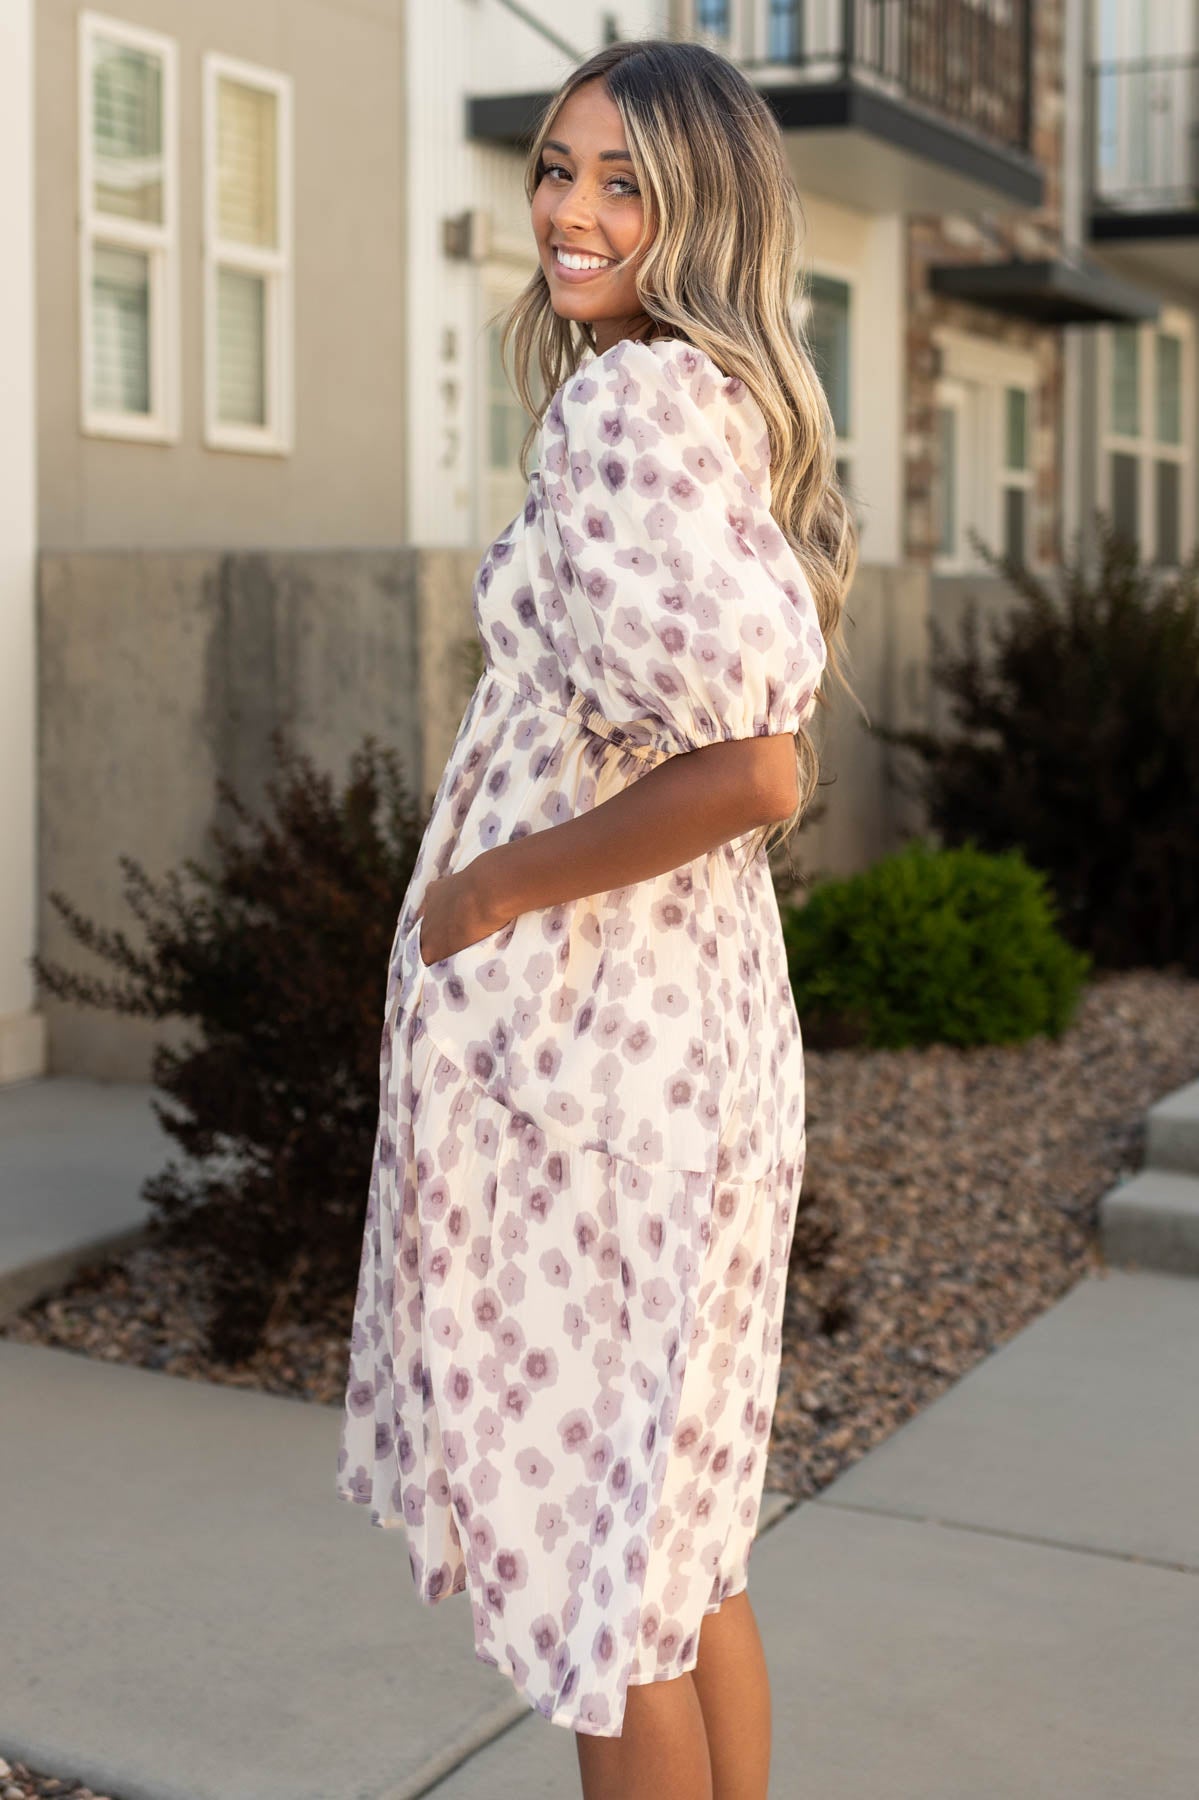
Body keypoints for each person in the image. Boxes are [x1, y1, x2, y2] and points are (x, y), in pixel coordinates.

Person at [336, 33, 857, 1800]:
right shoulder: (697, 396)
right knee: (676, 1564)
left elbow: (757, 770)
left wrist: (487, 889)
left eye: (621, 181)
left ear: (700, 213)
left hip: (599, 1088)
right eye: (558, 167)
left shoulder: (635, 405)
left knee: (587, 1578)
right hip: (681, 1067)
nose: (568, 209)